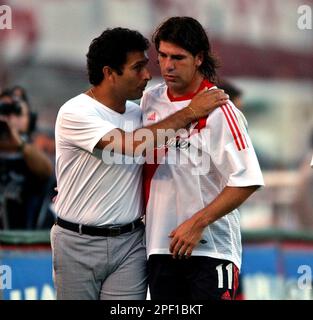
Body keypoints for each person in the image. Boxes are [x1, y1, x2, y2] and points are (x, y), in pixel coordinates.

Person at [52, 27, 229, 300]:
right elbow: (133, 144)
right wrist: (192, 111)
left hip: (131, 243)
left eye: (147, 66)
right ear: (110, 73)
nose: (147, 75)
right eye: (137, 68)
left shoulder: (141, 112)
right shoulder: (75, 112)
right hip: (77, 243)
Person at [141, 17, 264, 300]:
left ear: (198, 58)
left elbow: (247, 180)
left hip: (211, 250)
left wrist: (197, 223)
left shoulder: (220, 109)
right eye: (162, 56)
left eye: (178, 58)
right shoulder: (149, 101)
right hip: (159, 248)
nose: (168, 65)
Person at [0, 96, 53, 229]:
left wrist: (17, 141)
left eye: (17, 112)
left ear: (30, 119)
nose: (10, 117)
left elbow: (46, 171)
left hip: (26, 238)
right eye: (5, 111)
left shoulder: (33, 150)